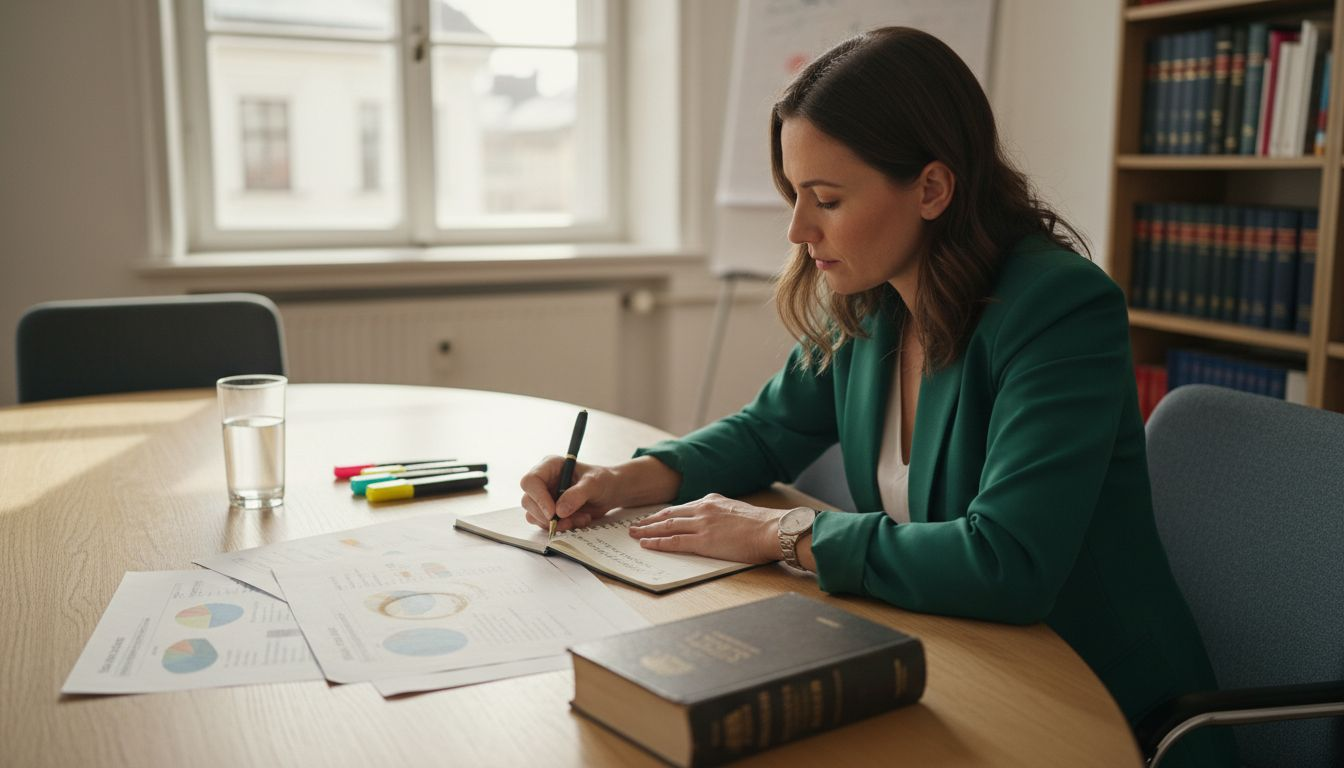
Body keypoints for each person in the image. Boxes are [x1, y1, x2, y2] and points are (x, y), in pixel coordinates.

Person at [520, 27, 1231, 767]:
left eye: (825, 198)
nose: (798, 230)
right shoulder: (871, 299)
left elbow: (1008, 562)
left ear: (931, 187)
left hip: (1092, 705)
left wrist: (779, 534)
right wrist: (618, 480)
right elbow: (767, 433)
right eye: (795, 195)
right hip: (951, 658)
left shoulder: (1058, 310)